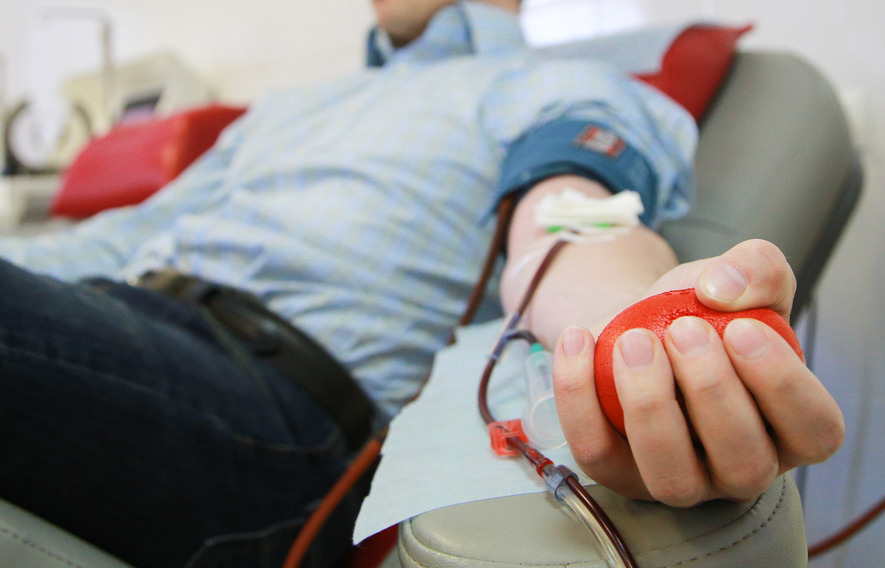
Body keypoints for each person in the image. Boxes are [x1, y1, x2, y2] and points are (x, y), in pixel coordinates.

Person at [0, 0, 844, 566]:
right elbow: (108, 243)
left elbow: (567, 217)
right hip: (110, 326)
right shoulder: (288, 109)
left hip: (266, 417)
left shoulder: (556, 84)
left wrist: (630, 326)